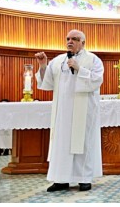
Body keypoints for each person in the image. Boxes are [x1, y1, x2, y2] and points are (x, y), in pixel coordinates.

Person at [35, 29, 104, 192]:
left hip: (84, 109)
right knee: (62, 144)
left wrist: (79, 68)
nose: (70, 41)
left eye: (75, 39)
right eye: (68, 38)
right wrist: (43, 65)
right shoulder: (58, 60)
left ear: (83, 42)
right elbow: (47, 83)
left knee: (83, 143)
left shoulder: (93, 60)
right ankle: (61, 179)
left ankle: (84, 179)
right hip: (63, 111)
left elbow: (97, 80)